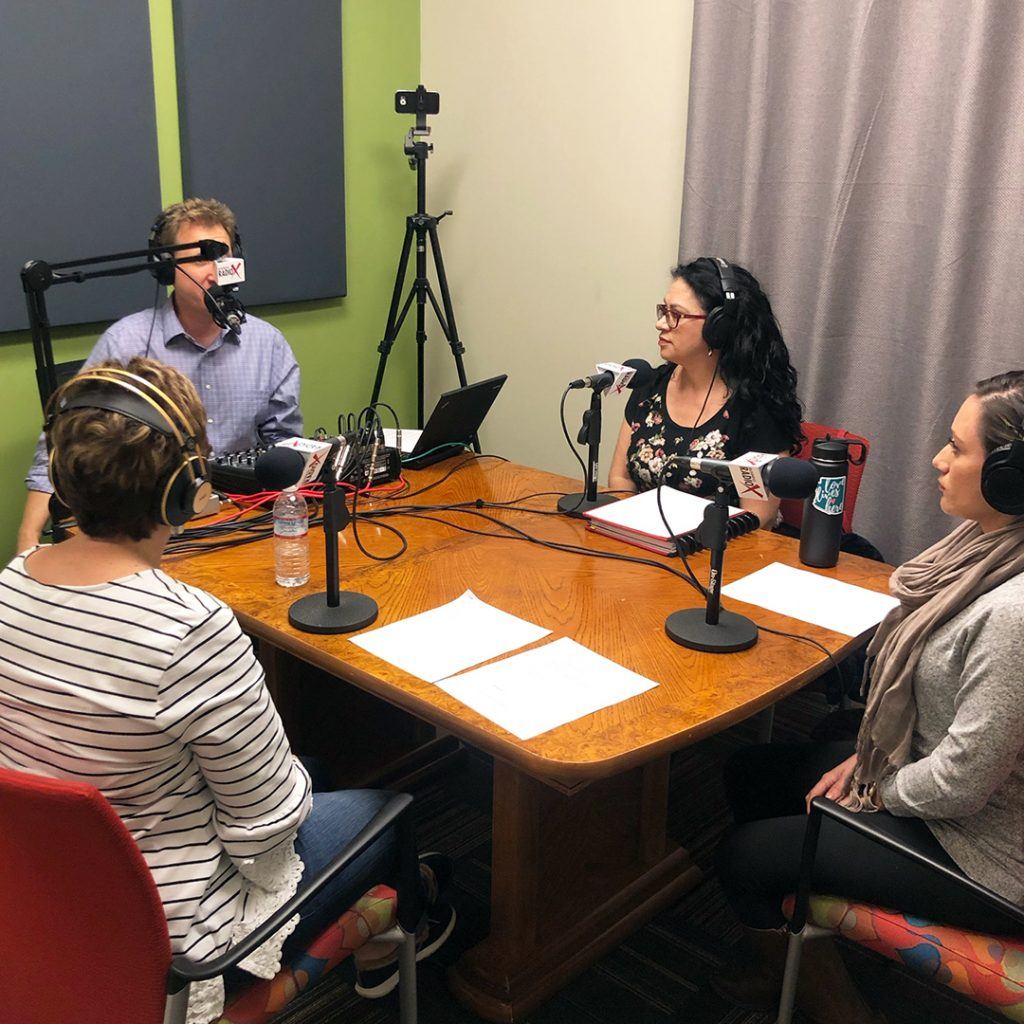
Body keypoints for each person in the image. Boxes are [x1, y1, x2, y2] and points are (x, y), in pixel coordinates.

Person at [0, 359, 450, 1024]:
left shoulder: (9, 586)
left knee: (314, 771)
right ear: (183, 486)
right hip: (179, 951)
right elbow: (266, 828)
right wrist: (288, 781)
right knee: (389, 811)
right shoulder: (190, 629)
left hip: (46, 912)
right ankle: (406, 933)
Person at [713, 371, 1024, 1024]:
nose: (939, 460)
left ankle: (840, 1008)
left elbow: (963, 785)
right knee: (750, 773)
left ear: (1009, 477)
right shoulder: (987, 544)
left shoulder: (1014, 615)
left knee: (745, 858)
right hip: (931, 783)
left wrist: (873, 789)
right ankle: (787, 958)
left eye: (957, 448)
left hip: (985, 856)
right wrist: (867, 762)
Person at [17, 197, 302, 554]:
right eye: (200, 257)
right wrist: (28, 541)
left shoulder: (268, 344)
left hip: (242, 527)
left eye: (223, 255)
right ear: (166, 268)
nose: (214, 270)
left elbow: (285, 446)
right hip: (147, 531)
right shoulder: (126, 342)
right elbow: (61, 445)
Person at [608, 256, 803, 526]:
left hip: (720, 553)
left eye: (675, 314)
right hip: (643, 546)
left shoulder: (755, 409)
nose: (661, 324)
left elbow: (757, 518)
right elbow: (620, 479)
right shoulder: (649, 386)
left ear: (718, 327)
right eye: (662, 311)